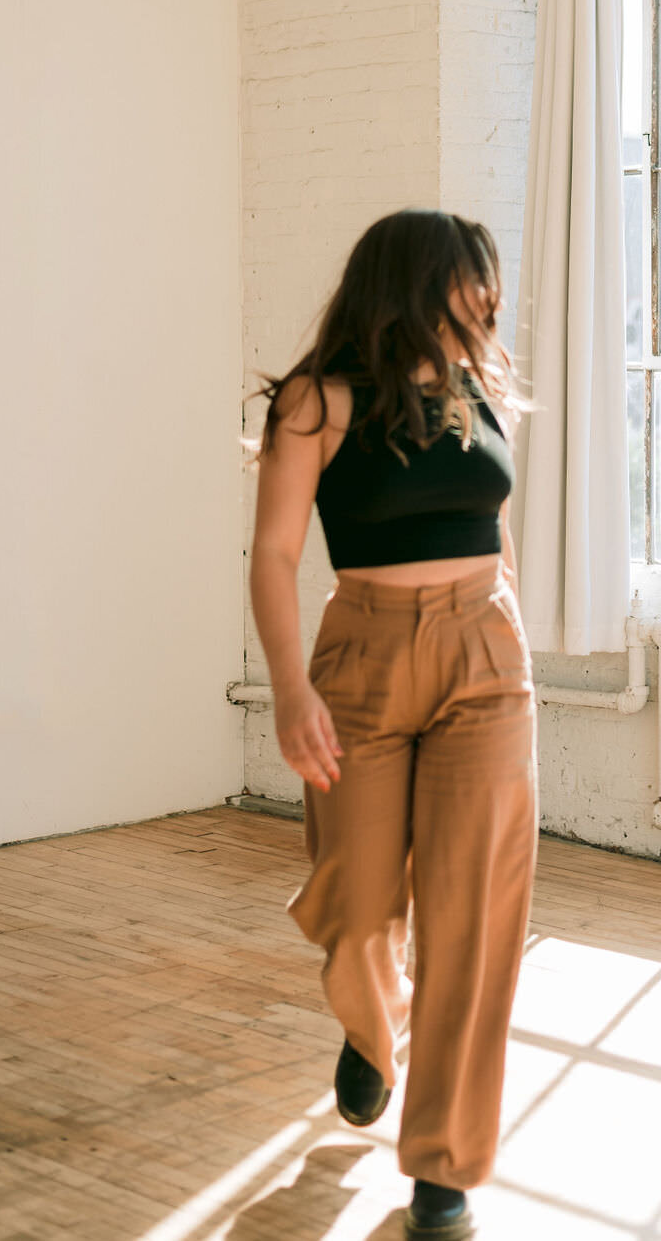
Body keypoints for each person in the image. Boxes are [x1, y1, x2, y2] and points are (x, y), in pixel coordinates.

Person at [248, 208, 539, 1240]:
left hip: (483, 663)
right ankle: (375, 1028)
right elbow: (275, 554)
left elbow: (488, 527)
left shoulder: (475, 390)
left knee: (475, 917)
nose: (486, 302)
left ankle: (442, 1175)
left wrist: (493, 628)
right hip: (360, 658)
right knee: (355, 899)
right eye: (471, 283)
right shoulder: (316, 402)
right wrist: (290, 688)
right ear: (419, 282)